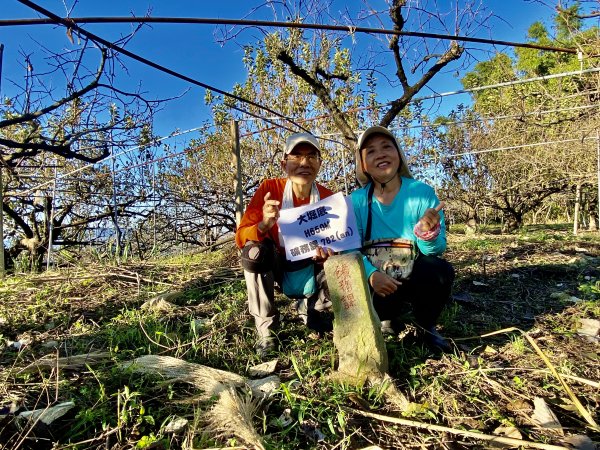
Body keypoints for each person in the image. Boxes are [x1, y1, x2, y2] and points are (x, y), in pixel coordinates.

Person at [350, 125, 455, 352]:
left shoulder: (421, 193)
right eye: (371, 151)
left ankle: (426, 326)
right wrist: (370, 275)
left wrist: (427, 234)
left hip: (410, 274)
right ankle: (386, 319)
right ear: (363, 164)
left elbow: (434, 251)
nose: (381, 154)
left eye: (387, 147)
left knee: (439, 269)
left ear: (398, 154)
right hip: (376, 282)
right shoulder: (356, 201)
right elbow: (350, 248)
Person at [235, 132, 334, 356]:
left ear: (319, 163)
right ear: (284, 163)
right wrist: (264, 224)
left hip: (312, 266)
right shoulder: (270, 190)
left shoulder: (328, 198)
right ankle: (266, 330)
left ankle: (310, 308)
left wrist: (329, 254)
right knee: (254, 253)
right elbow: (241, 237)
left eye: (311, 157)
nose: (304, 163)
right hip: (277, 265)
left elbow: (340, 243)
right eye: (296, 157)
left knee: (339, 266)